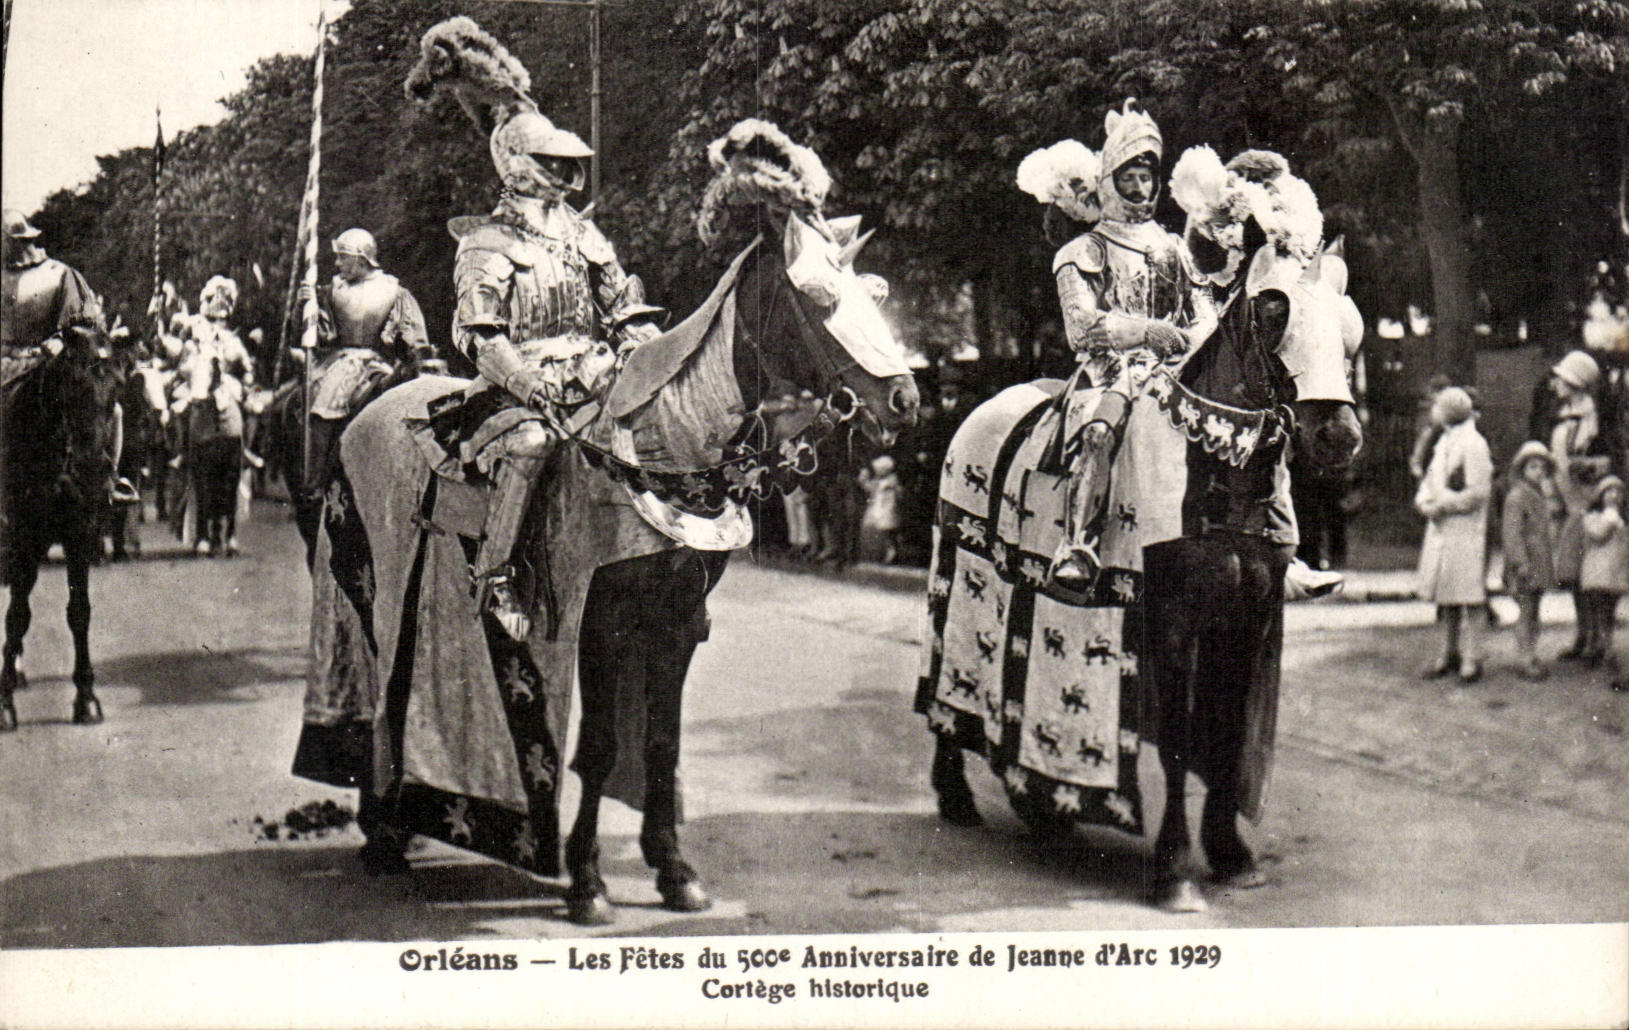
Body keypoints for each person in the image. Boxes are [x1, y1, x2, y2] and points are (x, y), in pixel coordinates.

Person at [429, 35, 663, 640]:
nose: (562, 171)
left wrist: (652, 352)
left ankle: (675, 568)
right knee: (532, 445)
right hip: (519, 388)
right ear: (516, 162)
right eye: (550, 161)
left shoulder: (586, 237)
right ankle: (498, 572)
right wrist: (526, 382)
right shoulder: (487, 242)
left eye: (565, 162)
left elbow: (626, 310)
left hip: (593, 372)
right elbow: (479, 332)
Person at [1013, 106, 1193, 586]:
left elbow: (1202, 311)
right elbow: (1081, 327)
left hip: (1177, 367)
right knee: (1099, 430)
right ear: (1110, 181)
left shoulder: (1174, 246)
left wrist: (1189, 339)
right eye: (1130, 177)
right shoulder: (1083, 250)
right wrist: (1145, 331)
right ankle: (1078, 543)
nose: (1141, 189)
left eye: (1147, 178)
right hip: (1109, 371)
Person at [294, 228, 437, 548]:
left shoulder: (394, 291)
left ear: (361, 259)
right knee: (323, 409)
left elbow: (413, 337)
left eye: (343, 258)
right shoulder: (332, 290)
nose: (338, 264)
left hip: (379, 362)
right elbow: (320, 336)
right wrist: (307, 306)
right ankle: (315, 481)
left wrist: (417, 358)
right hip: (339, 360)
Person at [1, 209, 138, 523]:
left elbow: (86, 322)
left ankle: (111, 480)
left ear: (21, 241)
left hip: (51, 364)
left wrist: (62, 339)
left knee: (111, 411)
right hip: (4, 364)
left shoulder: (59, 275)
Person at [1415, 386, 1493, 682]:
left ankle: (1472, 659)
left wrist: (1443, 504)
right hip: (1441, 529)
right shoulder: (1443, 442)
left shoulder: (1474, 444)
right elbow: (1429, 480)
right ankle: (1447, 653)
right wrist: (1425, 504)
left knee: (1469, 598)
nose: (1433, 411)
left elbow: (1478, 493)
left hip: (1466, 530)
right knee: (1445, 596)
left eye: (1437, 406)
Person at [172, 276, 254, 556]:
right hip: (200, 398)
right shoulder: (193, 340)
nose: (219, 323)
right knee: (181, 410)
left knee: (244, 418)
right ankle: (181, 451)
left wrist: (243, 381)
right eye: (214, 318)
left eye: (223, 318)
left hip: (228, 397)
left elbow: (246, 367)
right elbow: (182, 368)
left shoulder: (233, 341)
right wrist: (197, 363)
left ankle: (229, 531)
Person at [1547, 350, 1614, 661]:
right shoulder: (1562, 417)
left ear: (1575, 383)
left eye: (1561, 379)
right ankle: (1583, 634)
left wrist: (1589, 466)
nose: (1555, 384)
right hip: (1570, 507)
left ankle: (1601, 641)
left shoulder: (1596, 420)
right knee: (1574, 577)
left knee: (1597, 579)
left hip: (1593, 509)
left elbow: (1611, 462)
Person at [1502, 440, 1558, 680]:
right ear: (1522, 469)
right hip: (1524, 564)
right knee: (1526, 610)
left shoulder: (1539, 496)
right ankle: (1524, 656)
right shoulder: (1517, 497)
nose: (1539, 472)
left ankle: (1531, 652)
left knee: (1534, 609)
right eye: (1533, 466)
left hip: (1539, 562)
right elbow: (1512, 533)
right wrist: (1520, 562)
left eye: (1542, 468)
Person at [1577, 474, 1628, 667]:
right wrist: (1610, 518)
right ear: (1600, 495)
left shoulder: (1622, 520)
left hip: (1615, 575)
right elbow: (1598, 534)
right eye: (1609, 491)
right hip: (1596, 574)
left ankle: (1606, 647)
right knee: (1596, 612)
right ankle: (1594, 647)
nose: (1614, 496)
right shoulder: (1593, 517)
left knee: (1608, 613)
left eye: (1618, 492)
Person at [858, 453, 902, 564]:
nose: (878, 472)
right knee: (877, 531)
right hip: (878, 507)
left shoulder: (892, 480)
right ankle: (879, 553)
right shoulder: (877, 480)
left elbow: (898, 493)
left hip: (888, 507)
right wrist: (863, 482)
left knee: (888, 532)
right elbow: (870, 489)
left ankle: (892, 552)